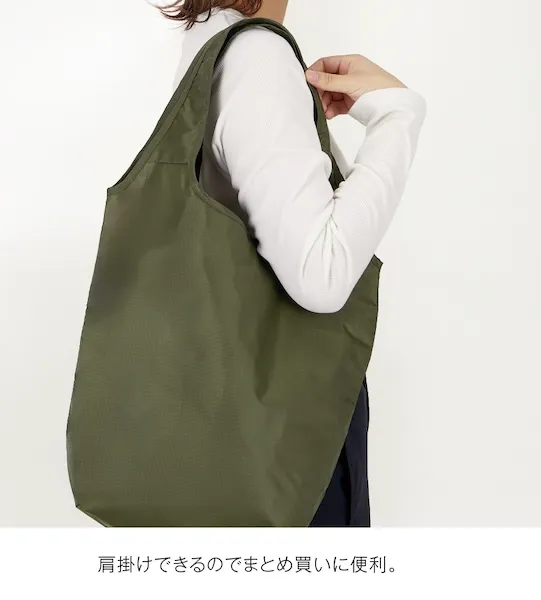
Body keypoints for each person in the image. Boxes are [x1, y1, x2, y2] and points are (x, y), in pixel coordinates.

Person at [157, 0, 427, 526]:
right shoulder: (255, 54)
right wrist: (398, 114)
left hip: (228, 428)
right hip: (291, 440)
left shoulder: (212, 38)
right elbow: (320, 275)